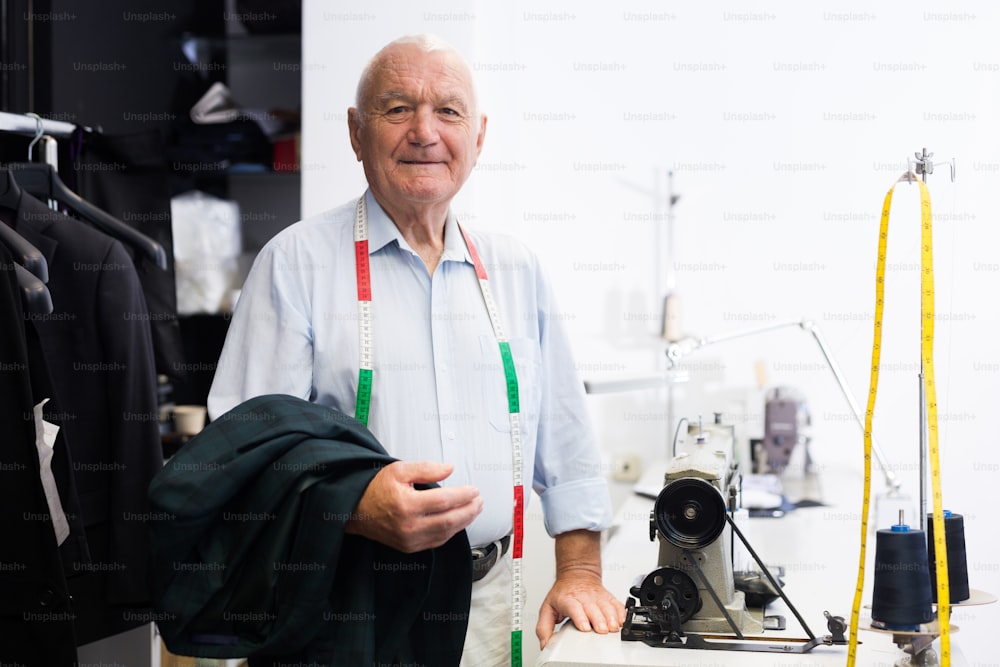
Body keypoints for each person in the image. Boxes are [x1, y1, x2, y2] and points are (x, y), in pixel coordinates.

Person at [207, 33, 625, 665]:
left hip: (489, 608)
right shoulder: (294, 265)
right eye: (397, 108)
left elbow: (566, 444)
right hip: (342, 607)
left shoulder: (515, 270)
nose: (425, 132)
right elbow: (243, 459)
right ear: (355, 131)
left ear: (478, 135)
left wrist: (580, 572)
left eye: (448, 112)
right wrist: (350, 506)